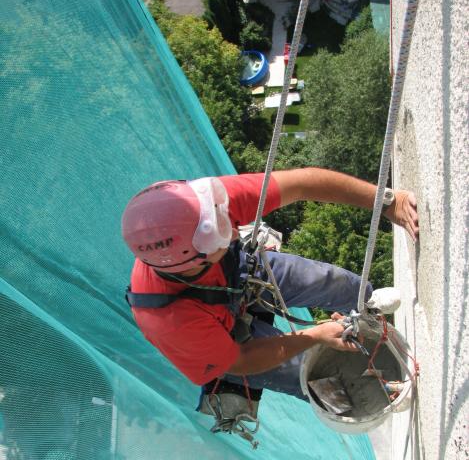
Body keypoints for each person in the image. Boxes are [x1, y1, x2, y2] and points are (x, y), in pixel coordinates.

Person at [122, 168, 418, 401]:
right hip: (225, 338)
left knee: (340, 285)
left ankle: (373, 321)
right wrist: (313, 335)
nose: (236, 231)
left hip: (238, 273)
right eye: (223, 235)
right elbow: (240, 360)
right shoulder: (170, 322)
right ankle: (383, 393)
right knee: (316, 372)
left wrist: (389, 202)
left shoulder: (204, 208)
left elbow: (304, 183)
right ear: (194, 262)